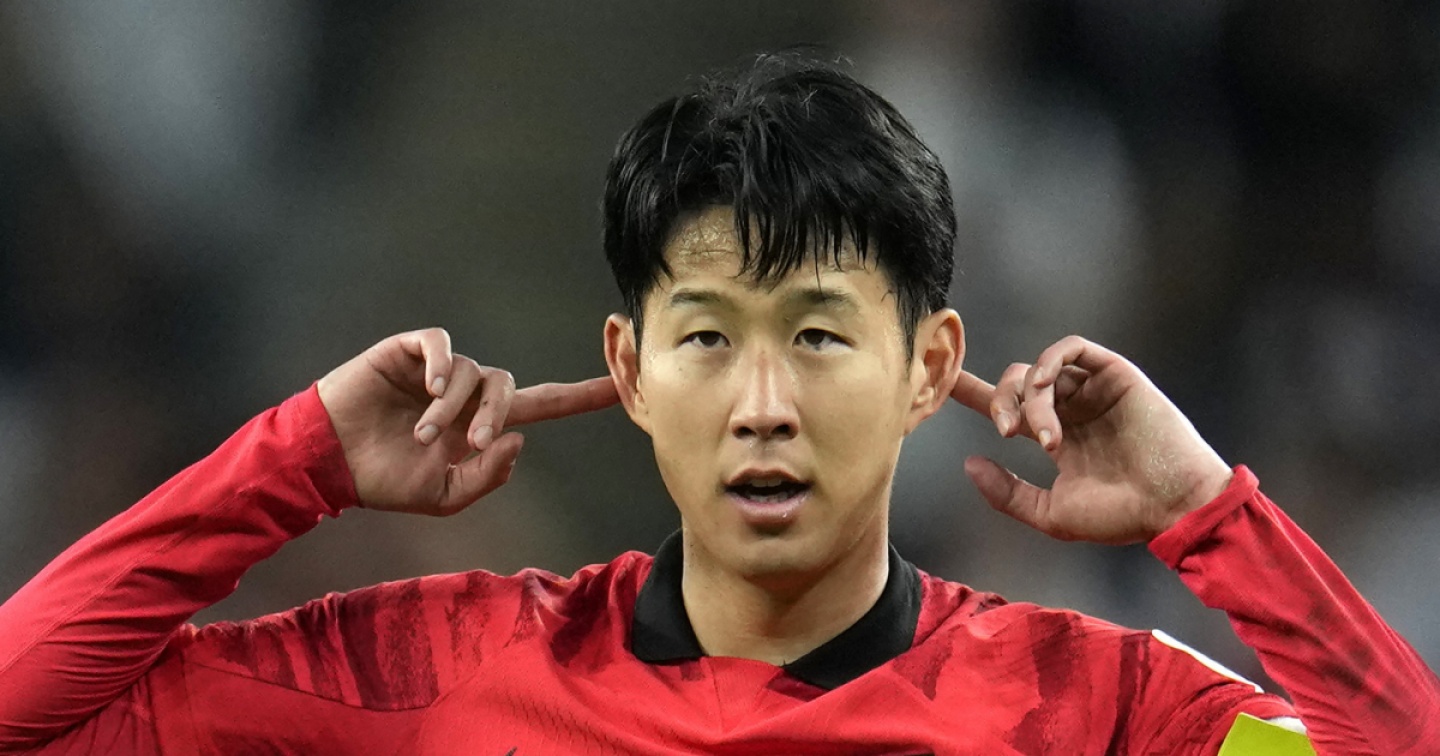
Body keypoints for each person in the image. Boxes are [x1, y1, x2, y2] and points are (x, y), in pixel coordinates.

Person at [1, 54, 1435, 755]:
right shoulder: (439, 676)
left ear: (929, 367)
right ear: (629, 370)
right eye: (705, 338)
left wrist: (1208, 513)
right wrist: (297, 457)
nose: (761, 405)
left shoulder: (1091, 709)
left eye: (817, 336)